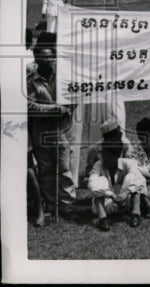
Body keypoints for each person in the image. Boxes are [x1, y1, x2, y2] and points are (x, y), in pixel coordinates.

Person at [26, 32, 76, 218]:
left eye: (50, 57)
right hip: (41, 130)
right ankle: (50, 204)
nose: (48, 61)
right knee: (46, 170)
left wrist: (67, 111)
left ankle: (67, 205)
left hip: (60, 130)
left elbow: (73, 97)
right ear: (37, 59)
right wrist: (56, 109)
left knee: (64, 169)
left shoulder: (63, 77)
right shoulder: (31, 80)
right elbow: (30, 106)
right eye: (43, 58)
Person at [87, 132, 146, 230]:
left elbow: (140, 180)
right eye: (103, 154)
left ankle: (135, 214)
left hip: (125, 200)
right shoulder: (98, 164)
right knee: (99, 182)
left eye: (107, 155)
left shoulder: (128, 163)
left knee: (133, 177)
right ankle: (103, 219)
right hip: (107, 203)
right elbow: (92, 184)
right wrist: (111, 195)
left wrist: (126, 192)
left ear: (117, 155)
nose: (104, 157)